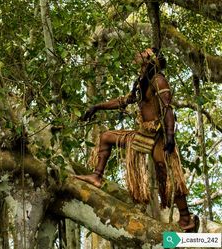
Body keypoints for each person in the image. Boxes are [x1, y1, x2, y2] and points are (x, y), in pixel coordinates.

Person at [76, 48, 199, 232]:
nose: (139, 53)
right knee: (106, 137)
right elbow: (123, 101)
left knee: (169, 175)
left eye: (144, 52)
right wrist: (97, 107)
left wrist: (170, 135)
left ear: (151, 59)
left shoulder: (158, 80)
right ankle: (96, 177)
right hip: (143, 134)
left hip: (158, 136)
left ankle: (186, 219)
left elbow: (168, 109)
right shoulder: (142, 81)